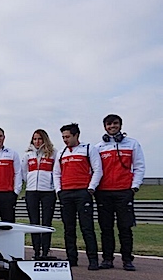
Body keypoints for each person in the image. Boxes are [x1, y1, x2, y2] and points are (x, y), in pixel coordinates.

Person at [95, 114, 145, 271]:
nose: (112, 126)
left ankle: (127, 260)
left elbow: (139, 166)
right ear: (105, 127)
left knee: (125, 227)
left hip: (124, 191)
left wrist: (134, 186)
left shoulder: (132, 144)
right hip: (103, 192)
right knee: (106, 227)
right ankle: (107, 259)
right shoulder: (99, 147)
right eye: (109, 124)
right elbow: (95, 169)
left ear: (120, 125)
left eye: (115, 124)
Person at [54, 123, 103, 270]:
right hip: (66, 194)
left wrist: (91, 188)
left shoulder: (88, 149)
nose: (65, 140)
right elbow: (56, 173)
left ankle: (93, 260)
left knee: (87, 227)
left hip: (83, 193)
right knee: (69, 228)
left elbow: (98, 170)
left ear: (76, 135)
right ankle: (71, 258)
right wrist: (59, 191)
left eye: (67, 136)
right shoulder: (61, 152)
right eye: (63, 137)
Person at [21, 129, 58, 259]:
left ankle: (45, 251)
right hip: (31, 192)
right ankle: (36, 252)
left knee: (46, 222)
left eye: (40, 139)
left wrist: (51, 185)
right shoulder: (28, 155)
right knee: (34, 223)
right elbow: (24, 173)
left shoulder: (53, 153)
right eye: (35, 139)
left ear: (44, 139)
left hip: (48, 192)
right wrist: (31, 183)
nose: (37, 141)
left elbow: (57, 171)